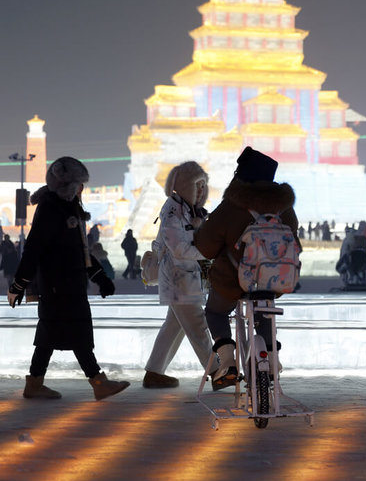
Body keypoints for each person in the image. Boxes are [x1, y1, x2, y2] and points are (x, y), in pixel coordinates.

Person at [6, 156, 129, 401]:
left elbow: (79, 249)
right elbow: (34, 248)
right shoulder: (51, 208)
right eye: (79, 184)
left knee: (52, 335)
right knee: (75, 331)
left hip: (69, 283)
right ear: (67, 185)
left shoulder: (68, 207)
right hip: (57, 284)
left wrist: (99, 276)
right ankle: (97, 382)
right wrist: (18, 284)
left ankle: (36, 383)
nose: (82, 190)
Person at [194, 147, 300, 388]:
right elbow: (294, 242)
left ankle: (228, 361)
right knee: (265, 315)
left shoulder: (232, 205)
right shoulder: (284, 209)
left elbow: (207, 247)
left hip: (232, 282)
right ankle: (272, 358)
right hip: (273, 282)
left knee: (216, 312)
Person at [142, 161, 215, 389]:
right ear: (184, 186)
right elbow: (179, 249)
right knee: (198, 327)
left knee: (174, 328)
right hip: (179, 281)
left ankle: (154, 373)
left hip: (185, 280)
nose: (201, 191)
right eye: (196, 186)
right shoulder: (173, 212)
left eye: (203, 186)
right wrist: (208, 252)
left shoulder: (189, 211)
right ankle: (219, 372)